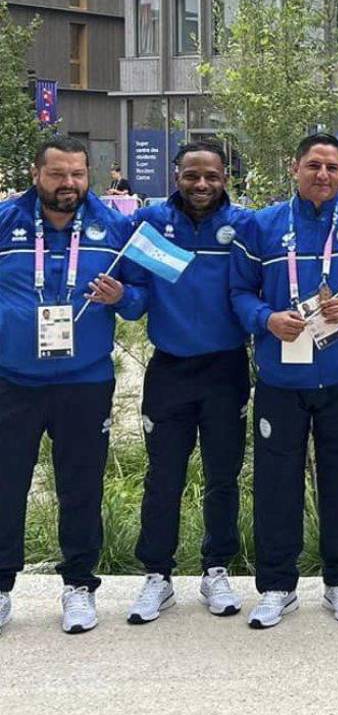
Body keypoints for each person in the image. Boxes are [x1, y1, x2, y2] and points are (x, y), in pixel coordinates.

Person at [230, 134, 338, 629]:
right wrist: (266, 319)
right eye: (314, 165)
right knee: (276, 484)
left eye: (332, 167)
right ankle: (277, 586)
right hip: (281, 378)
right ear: (294, 167)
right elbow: (239, 292)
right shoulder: (263, 224)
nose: (323, 174)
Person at [0, 136, 147, 634]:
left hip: (85, 381)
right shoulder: (6, 222)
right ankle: (1, 587)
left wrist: (122, 296)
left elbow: (141, 300)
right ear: (35, 174)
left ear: (89, 175)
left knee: (80, 486)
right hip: (13, 381)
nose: (69, 184)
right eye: (58, 174)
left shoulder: (114, 227)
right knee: (6, 484)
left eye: (78, 174)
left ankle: (79, 585)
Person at [124, 141, 251, 625]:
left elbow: (256, 288)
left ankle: (216, 569)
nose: (201, 184)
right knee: (163, 477)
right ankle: (157, 575)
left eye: (211, 176)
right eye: (192, 175)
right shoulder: (150, 224)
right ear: (175, 175)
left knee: (223, 476)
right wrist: (120, 297)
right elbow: (136, 297)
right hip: (170, 370)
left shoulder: (243, 227)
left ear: (225, 178)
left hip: (225, 369)